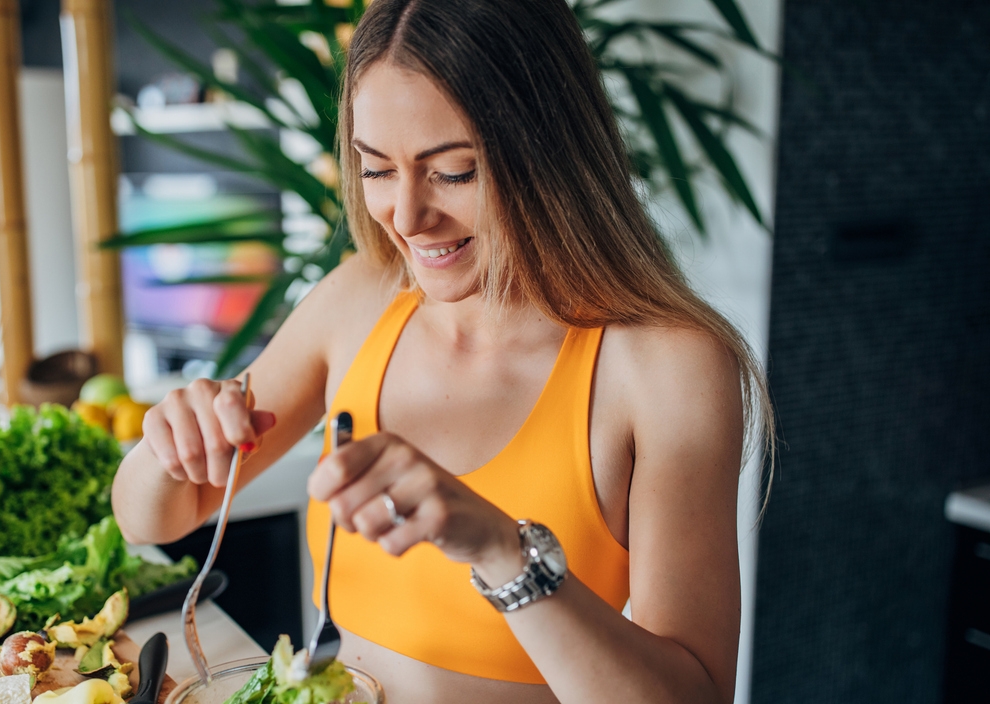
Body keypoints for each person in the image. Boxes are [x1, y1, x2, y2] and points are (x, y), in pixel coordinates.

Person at [112, 0, 772, 701]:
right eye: (376, 169)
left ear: (551, 149)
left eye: (454, 172)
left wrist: (501, 551)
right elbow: (152, 515)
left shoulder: (667, 368)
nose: (405, 215)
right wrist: (174, 441)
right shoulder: (359, 301)